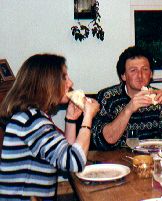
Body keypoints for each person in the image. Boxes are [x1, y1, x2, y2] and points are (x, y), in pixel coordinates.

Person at [0, 54, 100, 200]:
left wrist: (71, 120)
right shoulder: (31, 121)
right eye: (64, 77)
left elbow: (64, 157)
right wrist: (88, 116)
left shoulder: (33, 116)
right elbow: (75, 161)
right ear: (46, 83)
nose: (70, 82)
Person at [91, 46, 162, 150]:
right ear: (123, 75)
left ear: (151, 74)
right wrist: (129, 109)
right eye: (133, 70)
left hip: (153, 158)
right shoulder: (108, 97)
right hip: (118, 160)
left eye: (145, 69)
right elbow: (101, 141)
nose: (140, 75)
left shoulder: (158, 97)